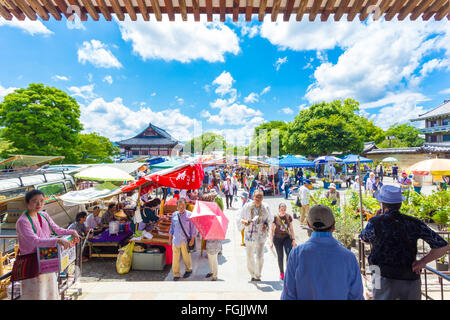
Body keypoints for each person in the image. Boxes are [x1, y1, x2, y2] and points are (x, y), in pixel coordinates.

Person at [360, 185, 449, 300]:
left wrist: (375, 219)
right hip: (410, 276)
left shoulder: (376, 222)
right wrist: (423, 262)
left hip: (380, 274)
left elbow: (364, 239)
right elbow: (443, 246)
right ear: (400, 204)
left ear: (382, 203)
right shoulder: (414, 222)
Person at [281, 205, 364, 300]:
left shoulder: (296, 254)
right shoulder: (349, 257)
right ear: (333, 226)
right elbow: (356, 296)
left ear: (308, 225)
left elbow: (288, 295)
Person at [15, 190, 80, 300]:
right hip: (32, 262)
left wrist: (71, 232)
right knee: (36, 292)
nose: (39, 204)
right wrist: (57, 241)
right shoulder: (23, 221)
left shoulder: (43, 215)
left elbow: (56, 229)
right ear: (27, 203)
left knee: (49, 290)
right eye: (34, 201)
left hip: (47, 258)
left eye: (41, 201)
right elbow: (34, 241)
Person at [239, 190, 273, 281]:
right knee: (249, 256)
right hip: (249, 233)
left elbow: (270, 219)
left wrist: (266, 225)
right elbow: (239, 218)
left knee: (259, 257)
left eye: (260, 197)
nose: (258, 199)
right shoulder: (247, 206)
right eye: (256, 196)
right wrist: (244, 222)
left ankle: (258, 275)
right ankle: (252, 274)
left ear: (262, 198)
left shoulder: (266, 207)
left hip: (261, 235)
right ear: (253, 197)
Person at [169, 198, 197, 281]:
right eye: (179, 206)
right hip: (176, 240)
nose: (181, 208)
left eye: (183, 206)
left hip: (185, 240)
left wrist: (192, 239)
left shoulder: (190, 214)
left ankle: (188, 270)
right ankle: (176, 274)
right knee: (175, 258)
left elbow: (193, 229)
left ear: (185, 206)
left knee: (186, 256)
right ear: (177, 207)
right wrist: (170, 239)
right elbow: (172, 228)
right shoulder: (174, 215)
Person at [270, 203, 295, 280]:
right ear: (279, 209)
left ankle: (288, 271)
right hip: (277, 239)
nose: (283, 211)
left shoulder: (288, 217)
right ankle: (281, 272)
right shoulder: (275, 217)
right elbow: (272, 230)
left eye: (284, 210)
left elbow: (291, 229)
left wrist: (293, 240)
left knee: (289, 254)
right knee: (280, 256)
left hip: (286, 238)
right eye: (281, 209)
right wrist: (271, 241)